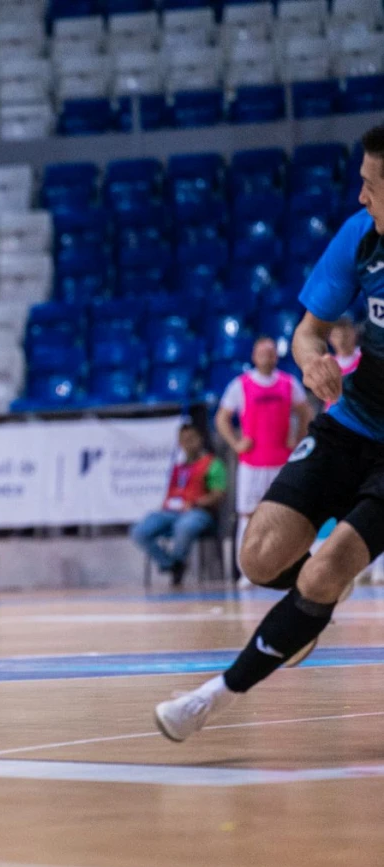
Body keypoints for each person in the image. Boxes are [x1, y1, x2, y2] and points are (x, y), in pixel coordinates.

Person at [154, 122, 384, 742]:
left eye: (371, 185)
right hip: (354, 421)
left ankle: (211, 698)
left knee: (327, 566)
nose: (360, 195)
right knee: (258, 556)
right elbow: (308, 331)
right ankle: (310, 607)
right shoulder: (361, 236)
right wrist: (311, 361)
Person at [214, 337, 313, 588]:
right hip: (252, 464)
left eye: (270, 353)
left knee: (287, 517)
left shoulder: (289, 383)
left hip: (281, 463)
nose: (267, 357)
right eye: (262, 353)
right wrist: (236, 443)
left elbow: (306, 412)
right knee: (248, 516)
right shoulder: (241, 385)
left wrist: (298, 438)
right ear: (254, 356)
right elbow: (222, 418)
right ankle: (246, 572)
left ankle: (288, 569)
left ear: (276, 356)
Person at [130, 423, 227, 587]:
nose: (188, 444)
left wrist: (196, 503)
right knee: (140, 530)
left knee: (184, 526)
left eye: (191, 439)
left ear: (200, 439)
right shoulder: (178, 466)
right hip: (172, 512)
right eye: (183, 440)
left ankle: (177, 562)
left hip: (199, 513)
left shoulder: (213, 464)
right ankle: (172, 565)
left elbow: (219, 495)